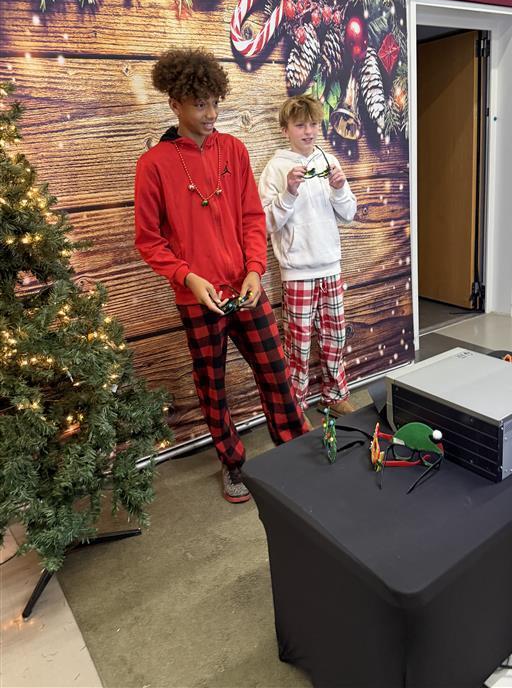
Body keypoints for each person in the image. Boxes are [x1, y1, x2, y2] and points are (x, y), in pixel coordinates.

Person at [134, 49, 309, 504]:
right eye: (200, 105)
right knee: (212, 385)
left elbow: (253, 217)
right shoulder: (153, 165)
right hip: (199, 299)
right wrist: (187, 278)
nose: (211, 114)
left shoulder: (233, 149)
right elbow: (149, 240)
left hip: (246, 289)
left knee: (276, 371)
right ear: (175, 103)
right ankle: (233, 464)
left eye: (215, 103)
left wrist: (255, 269)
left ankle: (296, 449)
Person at [259, 95, 357, 418]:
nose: (309, 131)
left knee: (335, 335)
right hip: (297, 271)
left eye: (314, 123)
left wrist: (341, 189)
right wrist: (288, 192)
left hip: (330, 266)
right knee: (298, 344)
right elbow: (266, 222)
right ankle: (296, 405)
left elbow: (349, 213)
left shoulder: (329, 161)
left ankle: (335, 395)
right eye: (300, 125)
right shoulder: (275, 169)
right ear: (285, 129)